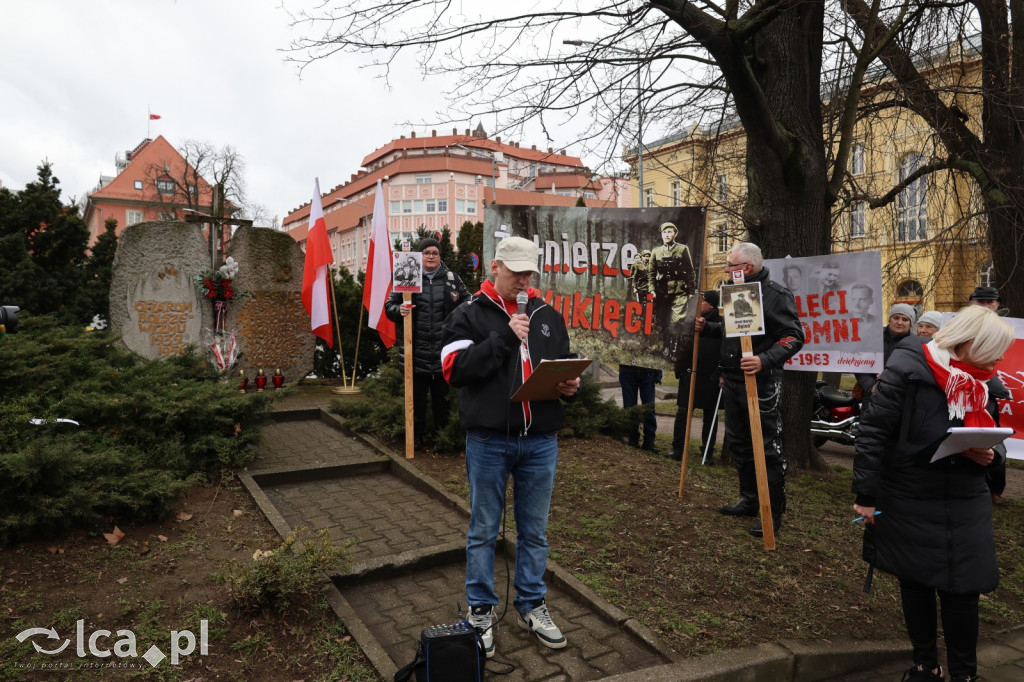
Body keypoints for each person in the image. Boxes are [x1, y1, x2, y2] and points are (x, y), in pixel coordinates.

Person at [852, 306, 1014, 682]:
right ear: (970, 343)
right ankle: (926, 665)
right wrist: (866, 494)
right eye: (994, 349)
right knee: (916, 580)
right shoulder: (908, 367)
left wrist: (990, 456)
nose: (1000, 359)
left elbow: (997, 434)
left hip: (965, 497)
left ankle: (964, 674)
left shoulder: (984, 379)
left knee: (964, 589)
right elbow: (873, 432)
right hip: (910, 493)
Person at [441, 236, 581, 658]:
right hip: (488, 441)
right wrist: (504, 336)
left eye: (529, 272)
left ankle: (531, 605)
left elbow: (559, 363)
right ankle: (481, 611)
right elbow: (455, 370)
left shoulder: (547, 315)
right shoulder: (466, 314)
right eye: (515, 271)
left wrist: (568, 385)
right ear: (495, 267)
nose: (523, 280)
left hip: (540, 441)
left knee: (534, 532)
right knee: (484, 530)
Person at [694, 243, 804, 537]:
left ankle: (773, 510)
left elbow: (794, 336)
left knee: (767, 448)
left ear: (748, 268)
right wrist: (708, 328)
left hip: (762, 382)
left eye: (731, 266)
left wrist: (764, 360)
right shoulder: (734, 293)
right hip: (732, 381)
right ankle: (749, 499)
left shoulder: (777, 296)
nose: (727, 271)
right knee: (740, 443)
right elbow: (734, 331)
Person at [385, 239, 471, 451]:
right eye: (426, 252)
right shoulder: (406, 276)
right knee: (417, 403)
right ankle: (415, 439)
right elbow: (389, 306)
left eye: (435, 252)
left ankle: (442, 441)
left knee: (442, 403)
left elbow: (468, 301)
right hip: (416, 354)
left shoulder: (452, 279)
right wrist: (400, 310)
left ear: (440, 256)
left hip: (444, 354)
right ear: (419, 256)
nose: (431, 256)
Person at [671, 290, 723, 464]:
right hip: (689, 375)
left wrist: (722, 373)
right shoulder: (689, 321)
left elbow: (727, 350)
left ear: (711, 305)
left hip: (711, 378)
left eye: (702, 301)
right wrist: (679, 368)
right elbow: (681, 345)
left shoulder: (721, 324)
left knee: (710, 416)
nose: (698, 304)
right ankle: (677, 449)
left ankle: (707, 453)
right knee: (683, 413)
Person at [968, 286, 1010, 504]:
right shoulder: (963, 326)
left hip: (989, 394)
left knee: (992, 437)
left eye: (989, 302)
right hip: (963, 391)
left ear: (997, 305)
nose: (985, 306)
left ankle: (995, 489)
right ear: (970, 304)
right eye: (980, 301)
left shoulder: (1005, 327)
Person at [647, 222, 698, 361]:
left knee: (676, 321)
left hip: (679, 290)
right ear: (661, 235)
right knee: (663, 321)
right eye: (664, 232)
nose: (667, 234)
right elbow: (651, 273)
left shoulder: (682, 249)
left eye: (670, 232)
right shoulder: (656, 252)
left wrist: (691, 290)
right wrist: (652, 289)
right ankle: (666, 347)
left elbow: (690, 271)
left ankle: (675, 349)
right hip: (661, 292)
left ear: (675, 234)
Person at [855, 303, 917, 402]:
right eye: (896, 318)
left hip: (902, 399)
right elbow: (859, 365)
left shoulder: (915, 344)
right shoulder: (873, 337)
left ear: (911, 323)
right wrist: (871, 386)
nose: (899, 322)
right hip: (873, 397)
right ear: (889, 319)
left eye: (905, 319)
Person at [619, 363, 662, 452]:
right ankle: (632, 439)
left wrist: (658, 371)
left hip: (648, 372)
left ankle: (649, 441)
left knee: (649, 408)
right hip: (628, 372)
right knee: (630, 408)